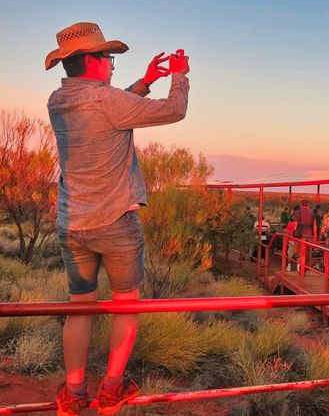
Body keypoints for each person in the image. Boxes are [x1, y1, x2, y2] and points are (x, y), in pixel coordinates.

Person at [46, 22, 190, 416]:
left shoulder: (58, 100)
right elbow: (173, 111)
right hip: (116, 223)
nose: (112, 65)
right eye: (108, 58)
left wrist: (143, 81)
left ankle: (73, 393)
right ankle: (111, 389)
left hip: (72, 224)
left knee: (80, 306)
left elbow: (110, 108)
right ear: (92, 61)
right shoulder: (106, 100)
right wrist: (179, 74)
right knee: (125, 306)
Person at [292, 199, 316, 271]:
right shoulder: (311, 212)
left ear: (301, 204)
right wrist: (314, 235)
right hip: (308, 234)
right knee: (306, 251)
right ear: (308, 205)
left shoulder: (297, 212)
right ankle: (304, 266)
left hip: (299, 234)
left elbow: (295, 224)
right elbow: (314, 224)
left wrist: (293, 231)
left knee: (299, 251)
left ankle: (300, 266)